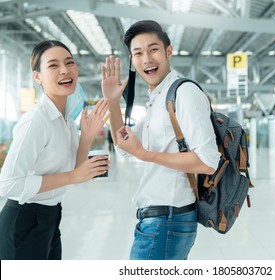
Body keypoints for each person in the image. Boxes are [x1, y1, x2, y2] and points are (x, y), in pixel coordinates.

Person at [101, 20, 220, 260]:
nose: (146, 59)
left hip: (167, 220)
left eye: (153, 49)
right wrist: (113, 103)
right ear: (132, 61)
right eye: (138, 53)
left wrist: (146, 155)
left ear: (169, 51)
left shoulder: (184, 93)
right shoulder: (160, 98)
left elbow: (208, 161)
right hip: (159, 221)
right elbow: (124, 147)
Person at [0, 40, 110, 260]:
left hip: (50, 218)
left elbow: (75, 172)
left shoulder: (65, 119)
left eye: (70, 62)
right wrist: (73, 175)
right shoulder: (36, 121)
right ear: (37, 76)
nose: (65, 70)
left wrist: (87, 137)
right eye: (53, 65)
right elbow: (7, 184)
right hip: (24, 221)